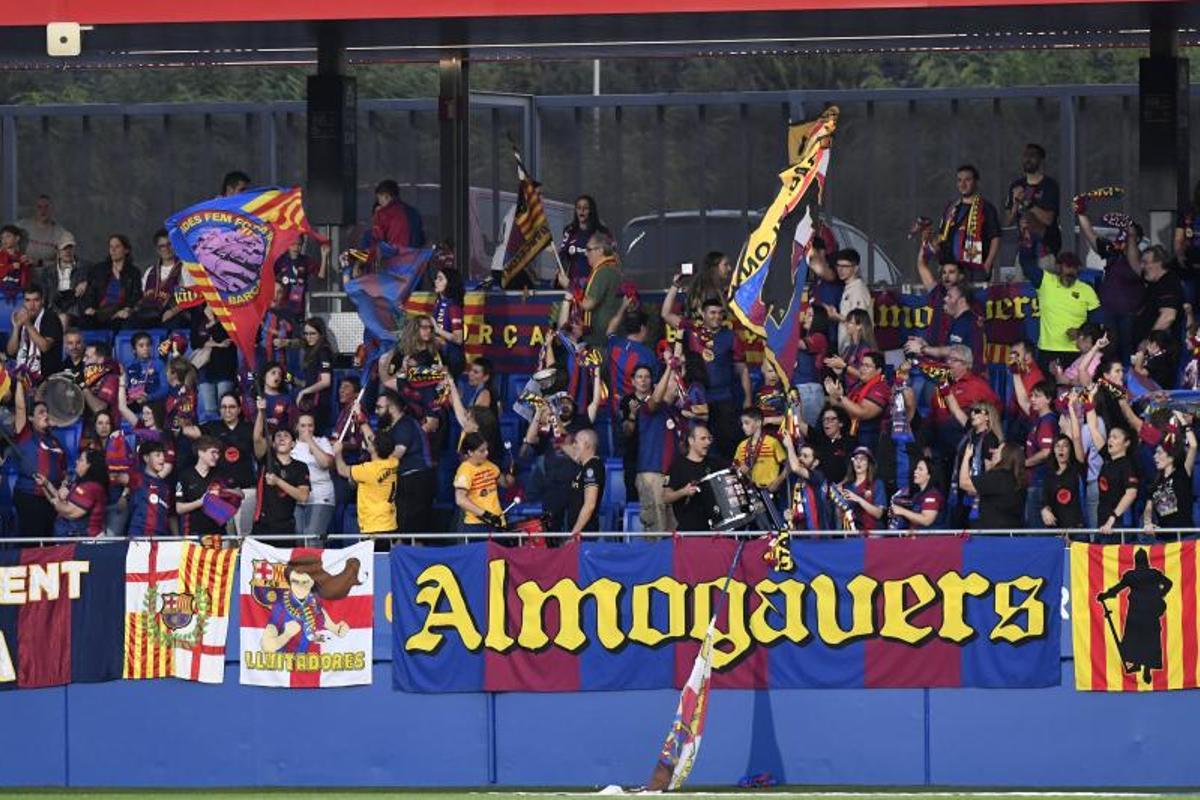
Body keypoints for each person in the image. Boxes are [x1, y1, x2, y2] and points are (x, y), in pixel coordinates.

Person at [661, 287, 750, 459]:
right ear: (703, 313)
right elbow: (666, 314)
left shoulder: (731, 337)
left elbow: (743, 370)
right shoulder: (692, 330)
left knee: (726, 446)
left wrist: (747, 399)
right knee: (697, 445)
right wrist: (674, 286)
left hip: (724, 399)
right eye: (712, 312)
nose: (717, 316)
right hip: (698, 398)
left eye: (720, 313)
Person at [183, 391, 258, 536]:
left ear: (239, 409)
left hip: (247, 490)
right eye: (223, 407)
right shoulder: (213, 427)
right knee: (226, 539)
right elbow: (188, 431)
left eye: (231, 407)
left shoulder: (249, 428)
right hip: (221, 492)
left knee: (246, 539)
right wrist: (186, 414)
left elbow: (261, 448)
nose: (227, 411)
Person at [1097, 549, 1173, 685]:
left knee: (1135, 638)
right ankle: (1146, 668)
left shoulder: (1131, 576)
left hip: (1136, 611)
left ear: (1136, 561)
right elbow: (1168, 584)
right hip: (1151, 612)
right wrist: (1160, 595)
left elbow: (1118, 588)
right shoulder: (1154, 574)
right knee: (1150, 639)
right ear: (1146, 560)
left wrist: (1105, 595)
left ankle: (1138, 664)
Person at [1078, 208, 1142, 363]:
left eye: (1127, 235)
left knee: (1127, 349)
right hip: (1109, 312)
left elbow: (1136, 265)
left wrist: (1131, 234)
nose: (1122, 239)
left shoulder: (1140, 257)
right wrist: (1080, 212)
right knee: (1108, 349)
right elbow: (1091, 236)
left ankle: (1127, 382)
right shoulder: (1113, 253)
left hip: (1129, 314)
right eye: (1123, 235)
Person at [258, 556, 357, 656]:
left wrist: (337, 629)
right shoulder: (280, 606)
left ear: (312, 582)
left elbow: (321, 617)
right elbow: (265, 645)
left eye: (305, 582)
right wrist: (286, 635)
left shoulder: (313, 600)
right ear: (290, 582)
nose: (300, 587)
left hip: (308, 662)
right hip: (283, 665)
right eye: (295, 581)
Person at [377, 388, 437, 535]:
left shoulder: (405, 424)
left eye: (379, 407)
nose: (376, 411)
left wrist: (376, 469)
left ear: (391, 408)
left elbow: (397, 454)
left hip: (416, 480)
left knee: (412, 531)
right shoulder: (393, 426)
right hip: (407, 480)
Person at [10, 381, 67, 536]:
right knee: (33, 543)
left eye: (46, 412)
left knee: (49, 543)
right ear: (30, 418)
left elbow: (64, 470)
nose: (46, 415)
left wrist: (64, 486)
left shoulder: (55, 441)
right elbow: (20, 408)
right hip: (30, 497)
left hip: (52, 498)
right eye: (41, 412)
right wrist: (20, 381)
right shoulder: (25, 435)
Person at [935, 164, 1001, 281]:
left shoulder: (986, 207)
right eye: (959, 180)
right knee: (952, 299)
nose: (962, 184)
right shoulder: (951, 208)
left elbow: (995, 238)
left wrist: (988, 263)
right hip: (951, 269)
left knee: (974, 299)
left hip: (975, 269)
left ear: (976, 182)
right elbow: (941, 236)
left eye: (967, 180)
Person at [250, 414, 312, 538]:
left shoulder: (300, 467)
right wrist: (261, 412)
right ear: (272, 443)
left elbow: (303, 496)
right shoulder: (265, 460)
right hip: (262, 524)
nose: (282, 439)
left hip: (286, 526)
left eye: (286, 436)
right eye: (278, 436)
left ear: (293, 444)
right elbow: (257, 438)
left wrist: (278, 481)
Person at [334, 429, 399, 544]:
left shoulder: (369, 470)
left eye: (372, 441)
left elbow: (342, 470)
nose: (369, 440)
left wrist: (338, 452)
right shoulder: (393, 462)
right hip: (389, 521)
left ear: (375, 448)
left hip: (373, 525)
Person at [903, 283, 984, 372]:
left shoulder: (965, 322)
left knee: (913, 366)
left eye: (950, 296)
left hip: (969, 380)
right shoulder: (961, 321)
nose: (945, 299)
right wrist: (925, 345)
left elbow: (953, 350)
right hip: (963, 377)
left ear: (962, 301)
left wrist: (923, 349)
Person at [663, 424, 727, 532]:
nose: (708, 442)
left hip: (716, 531)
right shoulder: (678, 466)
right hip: (689, 532)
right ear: (691, 441)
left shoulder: (716, 464)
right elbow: (665, 497)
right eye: (703, 439)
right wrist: (684, 492)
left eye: (709, 439)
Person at [175, 435, 241, 539]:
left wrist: (222, 491)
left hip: (219, 535)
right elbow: (179, 508)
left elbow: (240, 493)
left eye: (218, 453)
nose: (217, 456)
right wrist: (202, 501)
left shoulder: (221, 473)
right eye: (213, 452)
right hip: (193, 535)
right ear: (200, 452)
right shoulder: (185, 476)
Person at [1004, 143, 1061, 260]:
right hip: (1023, 248)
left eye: (1032, 155)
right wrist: (1015, 203)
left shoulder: (1049, 186)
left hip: (1046, 249)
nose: (1028, 159)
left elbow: (1048, 219)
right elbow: (1007, 222)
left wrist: (1027, 202)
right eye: (1025, 155)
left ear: (1041, 160)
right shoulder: (1016, 185)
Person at [825, 350, 890, 448]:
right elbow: (841, 406)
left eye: (867, 366)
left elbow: (863, 412)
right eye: (862, 365)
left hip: (870, 438)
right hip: (852, 434)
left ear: (878, 370)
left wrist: (841, 397)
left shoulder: (881, 388)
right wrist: (833, 394)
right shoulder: (860, 385)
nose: (862, 369)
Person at [1134, 245, 1184, 374]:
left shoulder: (1169, 283)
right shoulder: (1154, 283)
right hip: (1149, 350)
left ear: (1159, 263)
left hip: (1160, 354)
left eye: (1146, 263)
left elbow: (1168, 316)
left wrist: (1148, 341)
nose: (1142, 267)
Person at [1143, 427, 1198, 540]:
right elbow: (1148, 508)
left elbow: (1193, 446)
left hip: (1185, 538)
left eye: (1159, 453)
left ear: (1171, 456)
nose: (1155, 457)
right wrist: (1147, 522)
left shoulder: (1182, 473)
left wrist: (1184, 423)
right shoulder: (1155, 482)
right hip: (1164, 539)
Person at [605, 301, 657, 418]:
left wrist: (623, 305)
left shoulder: (614, 343)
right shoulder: (648, 355)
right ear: (643, 328)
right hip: (638, 411)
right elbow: (656, 387)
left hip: (614, 407)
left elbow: (610, 329)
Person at [732, 408, 787, 520]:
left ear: (758, 423)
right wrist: (739, 471)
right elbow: (734, 468)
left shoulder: (772, 442)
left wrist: (778, 480)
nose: (743, 426)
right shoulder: (742, 446)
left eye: (747, 423)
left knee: (775, 525)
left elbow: (788, 465)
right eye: (742, 424)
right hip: (751, 495)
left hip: (770, 492)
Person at [958, 441, 1026, 531]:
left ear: (1004, 456)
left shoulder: (998, 477)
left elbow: (964, 483)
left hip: (992, 536)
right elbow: (973, 491)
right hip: (1012, 532)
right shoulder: (1017, 477)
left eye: (998, 450)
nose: (994, 452)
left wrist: (966, 457)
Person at [41, 449, 109, 538]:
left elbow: (70, 512)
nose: (77, 462)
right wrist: (45, 484)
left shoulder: (91, 487)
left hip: (85, 542)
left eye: (81, 460)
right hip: (70, 538)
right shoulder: (78, 482)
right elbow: (60, 500)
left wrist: (56, 501)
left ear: (89, 465)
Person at [452, 432, 511, 534]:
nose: (486, 453)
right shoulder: (465, 470)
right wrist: (485, 515)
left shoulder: (490, 466)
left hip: (497, 521)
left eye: (486, 449)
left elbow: (505, 484)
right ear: (470, 452)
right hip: (476, 525)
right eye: (481, 451)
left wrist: (510, 472)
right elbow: (460, 499)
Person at [815, 248, 872, 352]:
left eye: (845, 266)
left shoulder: (858, 290)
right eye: (838, 266)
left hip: (856, 351)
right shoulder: (848, 287)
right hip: (848, 348)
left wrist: (836, 316)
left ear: (855, 268)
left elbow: (860, 322)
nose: (840, 270)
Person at [291, 413, 336, 541]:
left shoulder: (322, 442)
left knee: (312, 537)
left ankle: (316, 561)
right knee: (299, 539)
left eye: (310, 425)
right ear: (297, 428)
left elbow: (326, 463)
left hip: (321, 496)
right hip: (297, 497)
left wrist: (310, 441)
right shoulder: (291, 446)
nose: (307, 429)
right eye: (303, 425)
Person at [7, 285, 63, 386]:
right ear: (24, 302)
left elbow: (44, 347)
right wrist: (16, 327)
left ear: (42, 301)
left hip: (45, 378)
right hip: (22, 374)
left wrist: (28, 325)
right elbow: (11, 351)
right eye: (28, 300)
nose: (31, 305)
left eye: (36, 300)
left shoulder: (50, 318)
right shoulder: (22, 317)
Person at [81, 234, 141, 328]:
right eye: (111, 247)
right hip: (100, 311)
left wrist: (127, 309)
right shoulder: (99, 269)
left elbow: (136, 295)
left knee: (128, 322)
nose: (113, 250)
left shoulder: (133, 272)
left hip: (120, 311)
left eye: (117, 247)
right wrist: (89, 307)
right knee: (85, 321)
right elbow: (90, 292)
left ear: (126, 250)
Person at [577, 231, 624, 350]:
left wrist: (569, 286)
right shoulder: (613, 268)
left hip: (600, 343)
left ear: (600, 250)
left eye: (589, 249)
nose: (586, 253)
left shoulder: (603, 272)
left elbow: (588, 304)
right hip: (610, 339)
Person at [365, 178, 424, 266]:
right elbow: (421, 239)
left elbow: (376, 248)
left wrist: (353, 255)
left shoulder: (382, 214)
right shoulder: (414, 213)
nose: (380, 203)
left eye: (379, 199)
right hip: (412, 266)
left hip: (392, 266)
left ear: (386, 196)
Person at [557, 195, 610, 292]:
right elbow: (563, 255)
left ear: (591, 210)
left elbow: (609, 258)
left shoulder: (601, 232)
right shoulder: (569, 230)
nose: (581, 211)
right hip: (573, 284)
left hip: (595, 284)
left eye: (585, 208)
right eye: (578, 208)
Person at [135, 229, 187, 328]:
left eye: (169, 244)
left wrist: (172, 311)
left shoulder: (184, 268)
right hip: (151, 312)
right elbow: (142, 296)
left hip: (174, 312)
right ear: (158, 250)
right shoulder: (150, 271)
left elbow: (192, 297)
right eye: (162, 246)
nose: (167, 249)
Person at [293, 318, 335, 433]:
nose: (309, 337)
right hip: (310, 402)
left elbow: (326, 381)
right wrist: (296, 382)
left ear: (320, 334)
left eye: (312, 333)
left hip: (319, 403)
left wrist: (304, 392)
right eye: (306, 333)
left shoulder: (323, 351)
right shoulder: (310, 350)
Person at [273, 235, 327, 323]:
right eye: (293, 244)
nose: (296, 247)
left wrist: (324, 256)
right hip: (281, 307)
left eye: (299, 245)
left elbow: (321, 276)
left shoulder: (305, 261)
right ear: (287, 245)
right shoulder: (280, 260)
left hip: (298, 308)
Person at [126, 441, 174, 536]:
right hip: (139, 535)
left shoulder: (165, 486)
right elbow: (117, 476)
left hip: (161, 537)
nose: (162, 458)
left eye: (163, 455)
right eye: (157, 455)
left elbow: (170, 515)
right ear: (146, 458)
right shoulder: (138, 478)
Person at [793, 304, 830, 426]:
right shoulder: (807, 336)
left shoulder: (819, 337)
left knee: (809, 431)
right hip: (798, 389)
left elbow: (799, 344)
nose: (805, 318)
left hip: (810, 390)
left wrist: (783, 329)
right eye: (806, 315)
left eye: (810, 315)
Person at [781, 435, 829, 531]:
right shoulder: (797, 481)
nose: (800, 458)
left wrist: (790, 446)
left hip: (819, 536)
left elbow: (795, 468)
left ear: (815, 462)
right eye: (800, 455)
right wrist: (791, 514)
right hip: (801, 537)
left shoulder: (818, 476)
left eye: (805, 456)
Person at [16, 194, 73, 272]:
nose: (43, 210)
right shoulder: (21, 226)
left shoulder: (61, 234)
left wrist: (39, 262)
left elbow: (66, 263)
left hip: (47, 277)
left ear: (52, 209)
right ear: (35, 209)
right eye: (39, 207)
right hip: (21, 273)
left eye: (46, 207)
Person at [836, 446, 887, 533]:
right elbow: (839, 518)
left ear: (869, 463)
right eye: (856, 458)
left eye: (863, 459)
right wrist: (838, 500)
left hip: (873, 534)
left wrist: (858, 499)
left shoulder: (877, 484)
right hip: (851, 534)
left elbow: (879, 514)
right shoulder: (846, 486)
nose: (858, 462)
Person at [566, 429, 605, 538]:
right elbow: (565, 445)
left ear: (587, 445)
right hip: (578, 534)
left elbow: (590, 505)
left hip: (584, 535)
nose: (573, 446)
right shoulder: (583, 466)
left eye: (576, 442)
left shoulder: (592, 467)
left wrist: (574, 534)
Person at [888, 457, 944, 532]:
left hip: (932, 541)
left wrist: (902, 511)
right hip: (918, 540)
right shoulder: (917, 495)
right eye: (916, 468)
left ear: (929, 475)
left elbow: (926, 520)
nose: (915, 471)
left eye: (920, 469)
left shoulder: (932, 495)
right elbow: (916, 520)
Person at [431, 266, 465, 376]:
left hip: (452, 358)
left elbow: (458, 339)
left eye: (440, 279)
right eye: (436, 278)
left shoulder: (453, 306)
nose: (436, 281)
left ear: (449, 283)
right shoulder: (438, 302)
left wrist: (436, 329)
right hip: (440, 355)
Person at [123, 331, 167, 408]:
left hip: (153, 403)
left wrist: (149, 397)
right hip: (133, 403)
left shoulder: (158, 363)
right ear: (134, 350)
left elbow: (165, 389)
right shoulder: (128, 365)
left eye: (148, 345)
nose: (145, 348)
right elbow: (124, 387)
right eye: (141, 346)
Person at [0, 224, 31, 298]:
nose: (4, 240)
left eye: (8, 236)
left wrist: (26, 266)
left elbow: (26, 280)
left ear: (17, 238)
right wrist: (10, 267)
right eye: (2, 237)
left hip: (18, 295)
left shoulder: (22, 257)